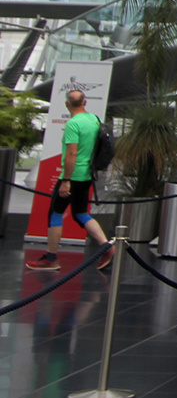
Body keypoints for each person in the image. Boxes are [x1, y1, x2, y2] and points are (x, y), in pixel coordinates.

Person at [26, 90, 113, 272]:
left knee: (55, 213)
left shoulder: (73, 124)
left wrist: (66, 181)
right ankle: (106, 246)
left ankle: (51, 258)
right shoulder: (93, 119)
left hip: (73, 176)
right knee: (80, 213)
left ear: (67, 105)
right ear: (85, 102)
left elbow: (71, 154)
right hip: (87, 174)